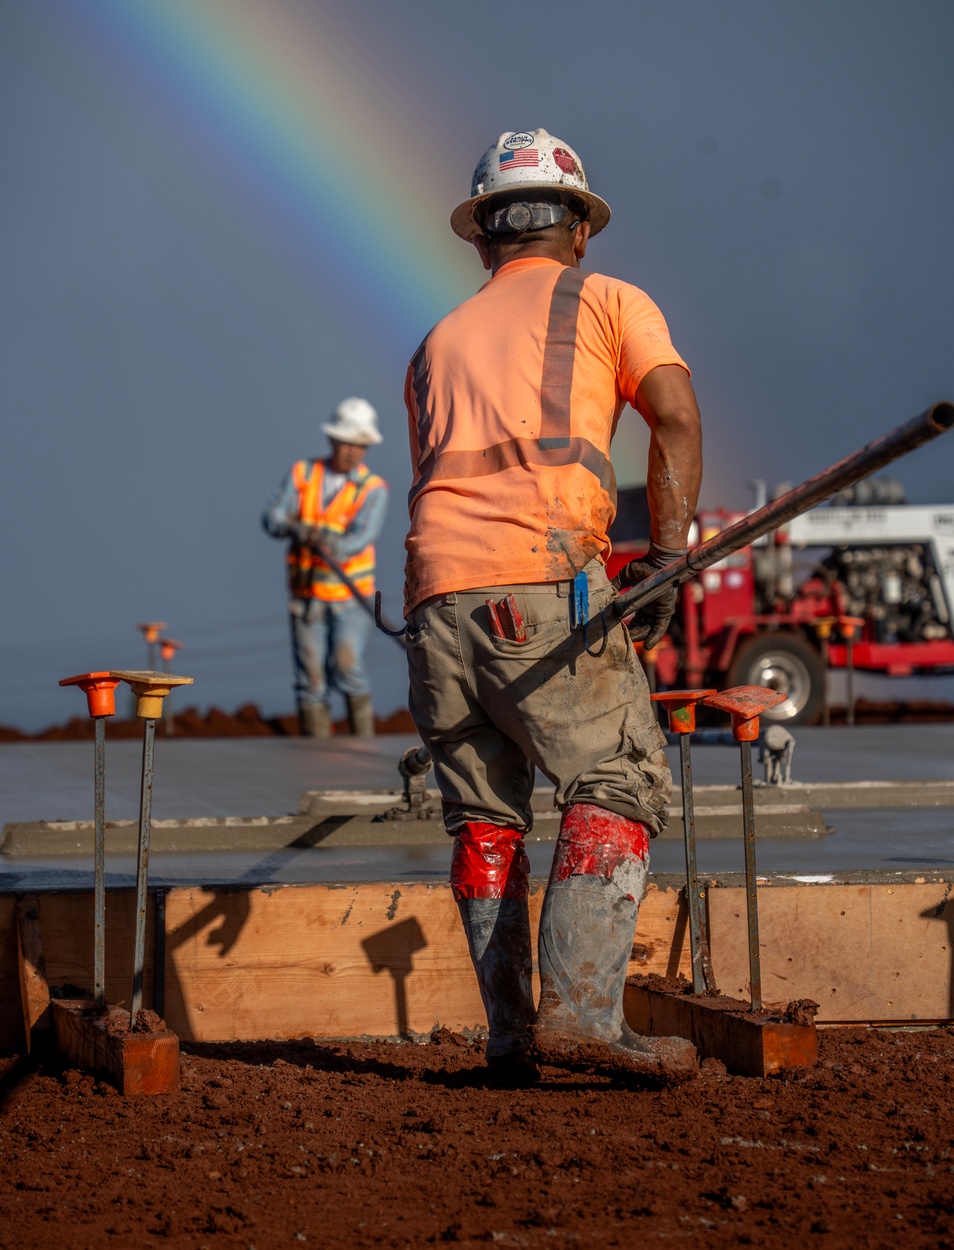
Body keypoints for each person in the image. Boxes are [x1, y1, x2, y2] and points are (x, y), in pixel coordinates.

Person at [402, 129, 704, 1082]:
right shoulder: (609, 300)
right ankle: (581, 1014)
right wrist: (663, 554)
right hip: (538, 577)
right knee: (617, 775)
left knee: (487, 820)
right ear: (578, 230)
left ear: (483, 239)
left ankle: (511, 1036)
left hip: (434, 601)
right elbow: (677, 419)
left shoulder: (434, 343)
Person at [263, 397, 388, 737]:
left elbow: (360, 539)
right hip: (306, 596)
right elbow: (272, 517)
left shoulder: (373, 489)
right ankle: (315, 755)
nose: (354, 451)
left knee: (347, 668)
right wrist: (295, 527)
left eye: (361, 445)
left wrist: (327, 542)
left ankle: (363, 746)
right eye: (349, 442)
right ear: (333, 439)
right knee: (311, 679)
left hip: (350, 598)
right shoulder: (303, 474)